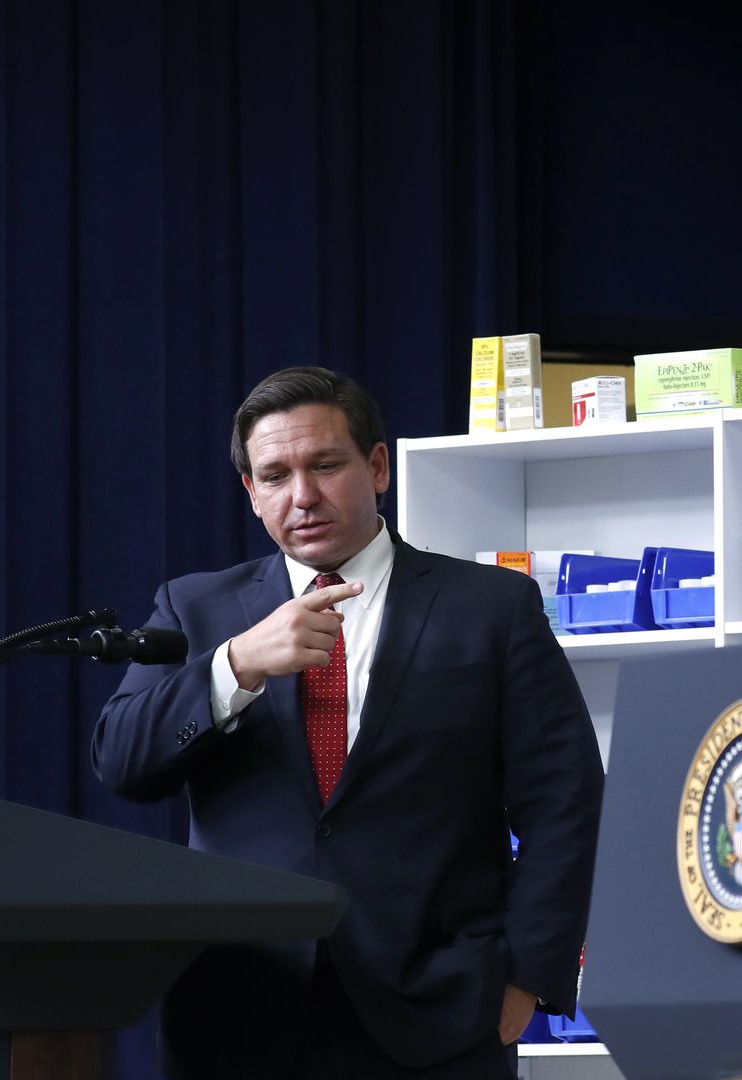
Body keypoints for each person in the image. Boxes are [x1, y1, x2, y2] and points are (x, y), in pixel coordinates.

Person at [93, 367, 604, 1079]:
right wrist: (235, 666)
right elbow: (122, 760)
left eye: (326, 465)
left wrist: (528, 973)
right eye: (275, 476)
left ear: (378, 467)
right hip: (237, 1015)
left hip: (440, 1013)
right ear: (251, 494)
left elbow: (565, 802)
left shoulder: (493, 607)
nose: (302, 495)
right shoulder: (196, 609)